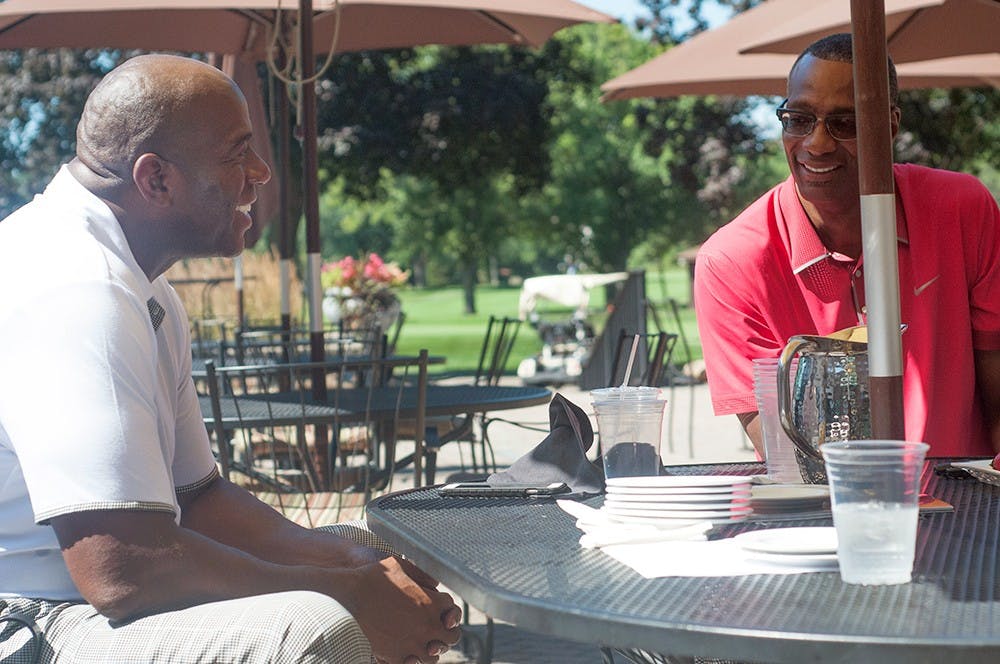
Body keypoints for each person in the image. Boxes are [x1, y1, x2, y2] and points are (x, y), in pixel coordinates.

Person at [0, 54, 460, 664]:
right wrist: (352, 596)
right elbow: (123, 568)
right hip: (30, 617)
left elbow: (201, 499)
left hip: (80, 598)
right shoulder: (78, 287)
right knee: (318, 629)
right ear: (156, 180)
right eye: (236, 153)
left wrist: (354, 564)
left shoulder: (143, 283)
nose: (262, 172)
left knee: (363, 547)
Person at [694, 33, 1000, 458]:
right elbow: (788, 458)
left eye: (846, 123)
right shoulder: (731, 261)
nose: (816, 144)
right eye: (798, 120)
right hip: (830, 513)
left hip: (972, 506)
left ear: (890, 125)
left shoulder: (963, 209)